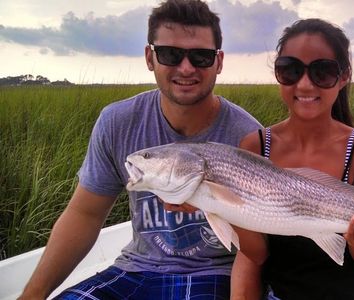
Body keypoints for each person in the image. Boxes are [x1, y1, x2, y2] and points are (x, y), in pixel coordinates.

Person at [19, 0, 261, 299]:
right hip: (134, 269)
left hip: (213, 274)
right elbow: (85, 214)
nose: (186, 68)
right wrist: (33, 294)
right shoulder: (118, 121)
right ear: (150, 56)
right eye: (170, 54)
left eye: (201, 56)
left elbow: (260, 241)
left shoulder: (248, 134)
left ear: (219, 62)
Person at [231, 18, 354, 300]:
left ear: (343, 77)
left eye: (323, 72)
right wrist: (221, 204)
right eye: (290, 70)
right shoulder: (255, 145)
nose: (304, 85)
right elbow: (255, 254)